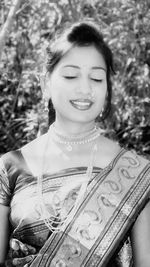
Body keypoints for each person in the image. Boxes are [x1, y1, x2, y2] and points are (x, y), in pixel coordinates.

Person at [0, 19, 150, 267]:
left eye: (96, 78)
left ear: (107, 89)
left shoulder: (137, 174)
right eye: (70, 75)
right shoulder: (9, 167)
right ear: (44, 83)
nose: (85, 88)